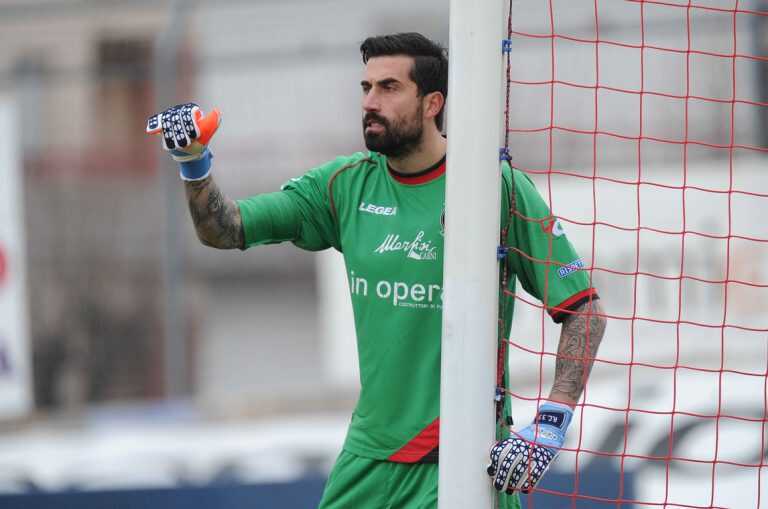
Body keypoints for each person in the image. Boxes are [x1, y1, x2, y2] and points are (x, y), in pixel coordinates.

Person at [147, 32, 607, 509]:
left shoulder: (497, 188)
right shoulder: (344, 185)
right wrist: (193, 161)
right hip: (367, 462)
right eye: (365, 88)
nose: (370, 101)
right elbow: (226, 229)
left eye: (388, 88)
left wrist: (551, 421)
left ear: (432, 103)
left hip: (461, 461)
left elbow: (584, 311)